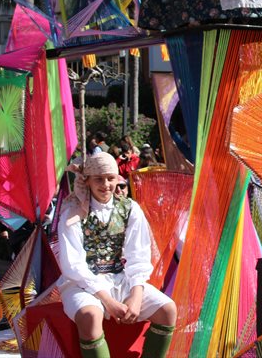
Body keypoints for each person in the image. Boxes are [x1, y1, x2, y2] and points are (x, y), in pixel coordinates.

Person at [56, 152, 176, 358]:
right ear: (88, 180)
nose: (106, 185)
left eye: (110, 178)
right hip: (80, 284)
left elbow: (138, 256)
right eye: (99, 179)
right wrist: (108, 302)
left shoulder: (130, 209)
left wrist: (136, 296)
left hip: (121, 280)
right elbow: (73, 265)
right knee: (90, 316)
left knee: (168, 310)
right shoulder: (72, 213)